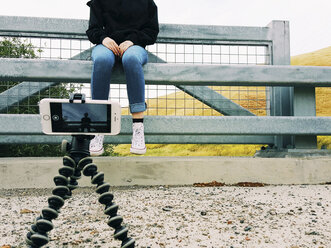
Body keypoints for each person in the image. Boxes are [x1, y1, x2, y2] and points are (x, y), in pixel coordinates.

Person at [86, 0, 159, 156]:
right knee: (102, 60)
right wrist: (103, 39)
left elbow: (152, 32)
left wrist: (133, 40)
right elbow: (93, 29)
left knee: (131, 59)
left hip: (135, 46)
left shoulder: (147, 3)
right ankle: (98, 128)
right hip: (105, 46)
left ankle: (138, 128)